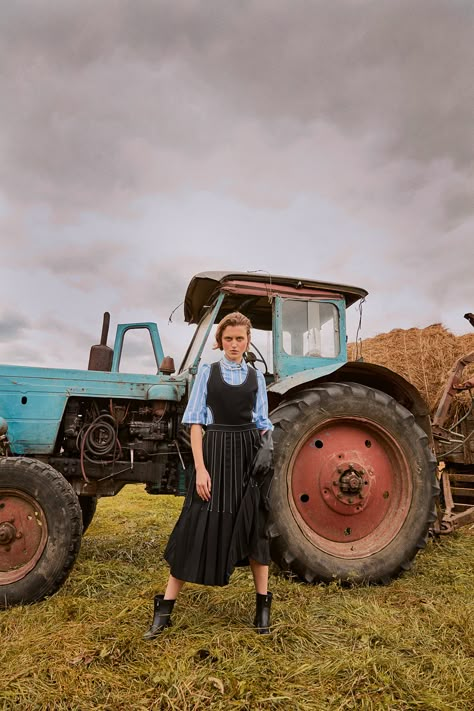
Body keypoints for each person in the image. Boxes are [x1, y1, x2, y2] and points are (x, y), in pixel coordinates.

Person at [143, 312, 274, 639]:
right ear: (220, 340)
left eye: (240, 338)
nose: (234, 344)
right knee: (195, 526)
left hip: (247, 457)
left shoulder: (256, 378)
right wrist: (201, 469)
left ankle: (263, 607)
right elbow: (197, 424)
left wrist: (268, 445)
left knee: (255, 529)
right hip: (214, 456)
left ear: (247, 341)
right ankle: (165, 610)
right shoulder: (207, 373)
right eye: (228, 338)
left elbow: (262, 421)